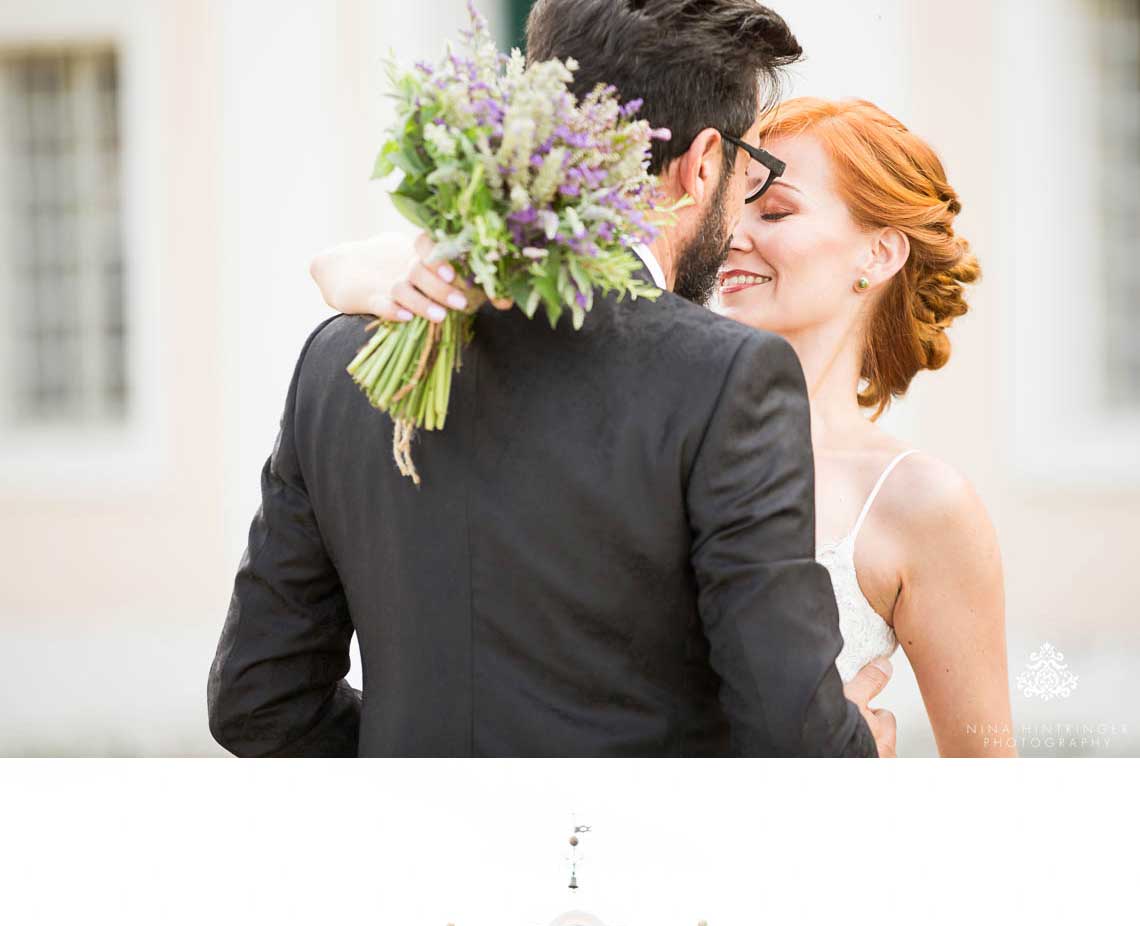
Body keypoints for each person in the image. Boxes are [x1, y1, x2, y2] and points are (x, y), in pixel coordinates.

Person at [208, 0, 889, 759]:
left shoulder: (339, 362)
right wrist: (862, 751)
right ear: (701, 167)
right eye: (747, 171)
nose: (742, 210)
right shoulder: (730, 379)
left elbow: (257, 701)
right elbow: (791, 737)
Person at [323, 94, 1014, 756]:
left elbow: (989, 793)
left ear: (879, 253)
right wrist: (360, 270)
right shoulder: (637, 403)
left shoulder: (923, 506)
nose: (733, 234)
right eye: (733, 204)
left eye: (774, 212)